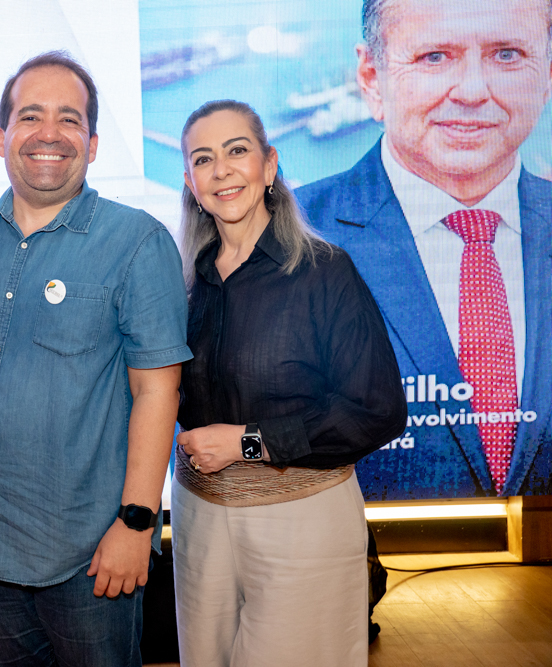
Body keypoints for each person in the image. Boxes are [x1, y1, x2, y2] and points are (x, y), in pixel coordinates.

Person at [0, 51, 191, 666]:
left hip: (91, 556)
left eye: (69, 119)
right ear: (2, 137)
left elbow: (159, 393)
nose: (49, 133)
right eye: (31, 116)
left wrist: (136, 523)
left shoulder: (137, 242)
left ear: (94, 143)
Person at [172, 99, 407, 666]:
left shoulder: (325, 272)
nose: (221, 170)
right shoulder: (178, 282)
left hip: (303, 521)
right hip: (199, 518)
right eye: (204, 159)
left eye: (237, 151)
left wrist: (247, 441)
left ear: (270, 165)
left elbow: (377, 410)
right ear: (190, 182)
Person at [296, 0, 552, 499]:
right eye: (435, 56)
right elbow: (215, 451)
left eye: (507, 54)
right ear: (372, 77)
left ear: (546, 74)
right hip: (356, 574)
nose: (475, 91)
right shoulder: (281, 244)